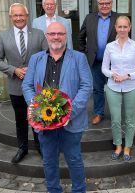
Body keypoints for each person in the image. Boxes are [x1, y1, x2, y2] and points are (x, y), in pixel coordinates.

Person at [22, 22, 92, 193]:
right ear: (46, 36)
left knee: (74, 159)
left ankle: (79, 190)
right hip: (44, 121)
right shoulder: (36, 58)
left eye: (60, 33)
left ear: (66, 36)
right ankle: (53, 189)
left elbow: (87, 86)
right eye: (52, 33)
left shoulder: (78, 58)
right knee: (49, 160)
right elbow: (27, 85)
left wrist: (68, 112)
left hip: (71, 121)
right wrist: (37, 107)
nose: (56, 37)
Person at [0, 3, 48, 163]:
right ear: (11, 17)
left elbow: (47, 56)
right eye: (15, 15)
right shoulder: (3, 36)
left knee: (38, 118)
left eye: (21, 15)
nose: (19, 18)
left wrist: (32, 68)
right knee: (20, 119)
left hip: (37, 86)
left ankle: (41, 147)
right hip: (16, 86)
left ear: (27, 16)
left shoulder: (39, 34)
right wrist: (14, 70)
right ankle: (22, 148)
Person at [102, 16, 135, 161]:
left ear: (130, 27)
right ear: (115, 28)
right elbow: (104, 68)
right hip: (113, 87)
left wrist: (128, 75)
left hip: (131, 87)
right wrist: (112, 74)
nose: (122, 29)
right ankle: (118, 145)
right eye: (119, 27)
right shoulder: (110, 46)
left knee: (129, 119)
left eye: (125, 27)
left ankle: (127, 146)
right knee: (115, 119)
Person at [78, 0, 118, 125]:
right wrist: (85, 52)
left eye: (107, 3)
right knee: (97, 89)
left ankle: (115, 114)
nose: (105, 6)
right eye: (102, 3)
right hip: (95, 61)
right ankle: (99, 113)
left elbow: (125, 37)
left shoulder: (118, 18)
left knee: (115, 89)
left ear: (111, 3)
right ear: (98, 4)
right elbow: (81, 37)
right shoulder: (90, 18)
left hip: (114, 62)